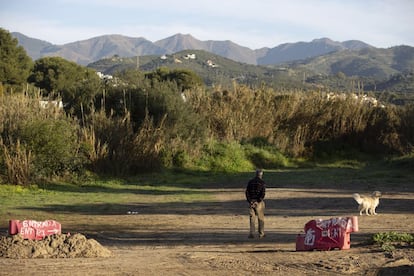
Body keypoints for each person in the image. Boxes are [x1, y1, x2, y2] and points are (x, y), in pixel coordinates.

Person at [245, 169, 266, 238]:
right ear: (261, 175)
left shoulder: (250, 182)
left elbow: (247, 192)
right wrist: (258, 201)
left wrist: (250, 201)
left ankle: (251, 233)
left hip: (251, 202)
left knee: (252, 218)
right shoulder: (262, 182)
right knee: (260, 218)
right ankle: (261, 233)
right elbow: (262, 194)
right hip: (258, 203)